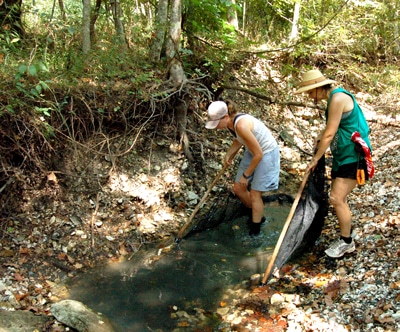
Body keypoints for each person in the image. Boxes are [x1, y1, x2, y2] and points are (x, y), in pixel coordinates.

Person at [294, 69, 374, 258]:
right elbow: (333, 126)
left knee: (336, 198)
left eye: (309, 92)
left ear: (318, 88)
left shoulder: (337, 99)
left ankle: (347, 242)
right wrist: (319, 137)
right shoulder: (334, 98)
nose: (309, 96)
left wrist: (315, 159)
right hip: (344, 155)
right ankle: (348, 231)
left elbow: (330, 133)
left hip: (354, 156)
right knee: (340, 198)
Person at [205, 100, 280, 236]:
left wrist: (246, 175)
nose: (215, 127)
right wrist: (229, 154)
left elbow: (259, 154)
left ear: (226, 117)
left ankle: (256, 229)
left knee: (255, 193)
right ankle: (257, 214)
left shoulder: (241, 125)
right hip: (253, 151)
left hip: (267, 153)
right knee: (238, 188)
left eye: (216, 123)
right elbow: (238, 139)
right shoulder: (230, 124)